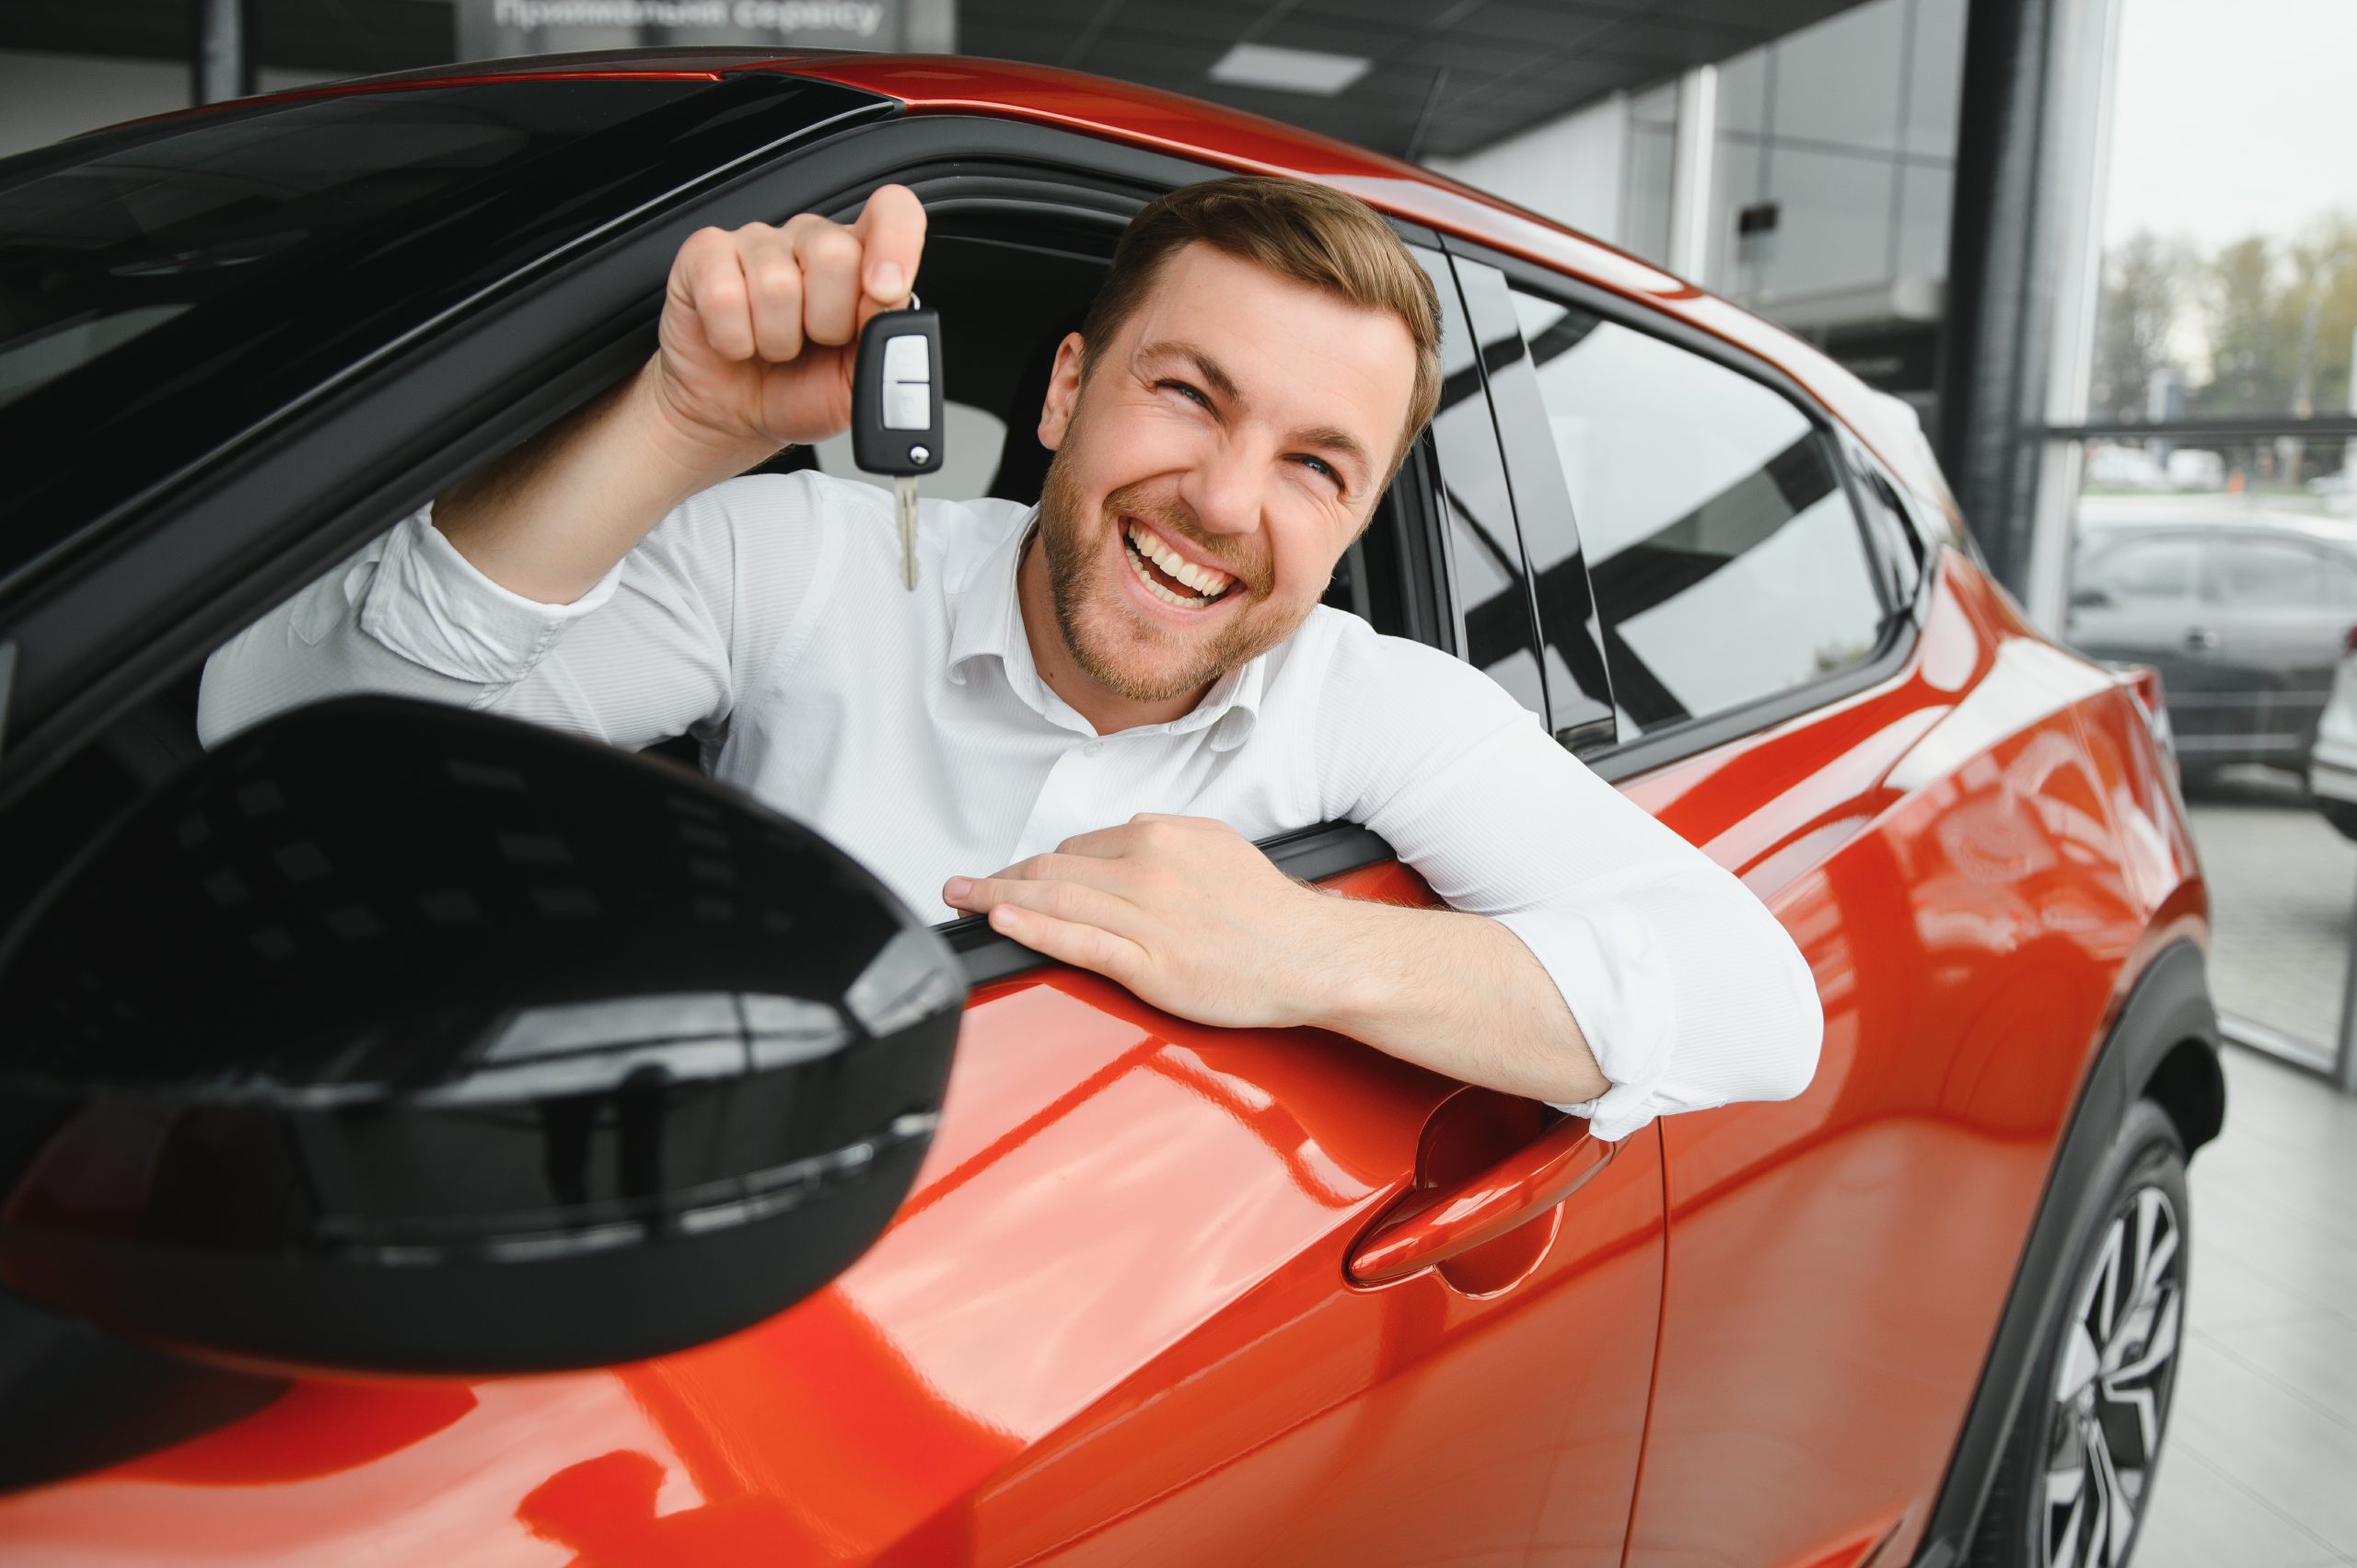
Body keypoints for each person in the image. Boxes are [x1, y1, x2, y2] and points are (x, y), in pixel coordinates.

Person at [199, 175, 1820, 1138]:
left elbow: (1763, 1011)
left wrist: (1307, 954)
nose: (1224, 501)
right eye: (1186, 395)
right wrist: (676, 428)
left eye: (1316, 467)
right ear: (1062, 394)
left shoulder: (1372, 703)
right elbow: (288, 749)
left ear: (1354, 521)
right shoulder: (812, 555)